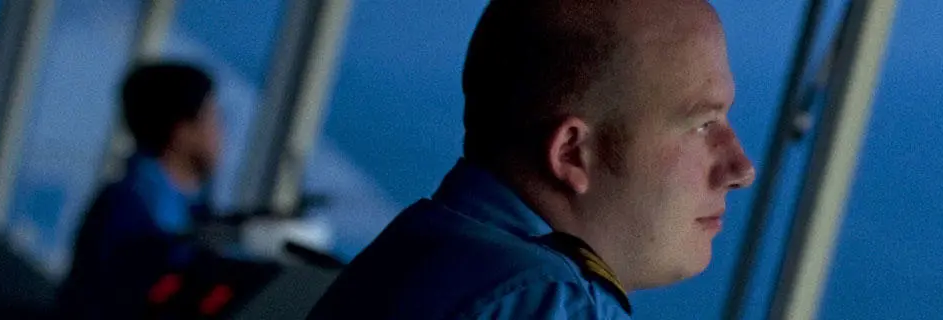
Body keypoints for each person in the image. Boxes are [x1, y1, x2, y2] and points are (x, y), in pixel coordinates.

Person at [307, 0, 754, 318]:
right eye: (702, 125)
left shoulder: (412, 257)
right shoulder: (544, 300)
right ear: (572, 153)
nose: (741, 169)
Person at [59, 63, 223, 319]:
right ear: (181, 131)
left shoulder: (197, 215)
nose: (220, 132)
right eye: (212, 118)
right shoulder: (124, 211)